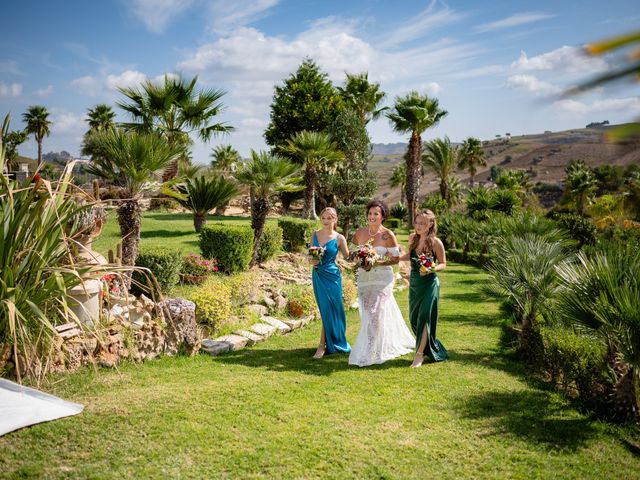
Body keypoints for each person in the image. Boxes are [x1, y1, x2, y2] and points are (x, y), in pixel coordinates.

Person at [348, 200, 415, 367]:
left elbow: (395, 259)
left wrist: (377, 261)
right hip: (365, 278)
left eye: (376, 214)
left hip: (382, 279)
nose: (372, 216)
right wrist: (359, 257)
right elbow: (351, 253)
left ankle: (372, 348)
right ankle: (376, 342)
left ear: (382, 216)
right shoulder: (360, 233)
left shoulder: (388, 235)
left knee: (375, 311)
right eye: (370, 213)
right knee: (367, 311)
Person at [400, 209, 448, 368]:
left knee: (425, 317)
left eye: (423, 223)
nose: (419, 226)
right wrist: (394, 258)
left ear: (431, 224)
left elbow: (443, 263)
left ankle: (419, 355)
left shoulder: (436, 242)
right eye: (417, 222)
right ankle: (430, 346)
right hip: (415, 285)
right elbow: (410, 256)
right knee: (415, 320)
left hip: (430, 284)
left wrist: (432, 268)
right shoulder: (413, 238)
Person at [309, 207, 351, 359]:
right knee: (324, 308)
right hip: (318, 275)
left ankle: (325, 344)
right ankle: (324, 344)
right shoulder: (314, 234)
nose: (326, 221)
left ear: (335, 219)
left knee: (333, 308)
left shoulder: (339, 238)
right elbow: (310, 255)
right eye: (323, 218)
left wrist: (366, 253)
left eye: (329, 218)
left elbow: (348, 256)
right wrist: (312, 260)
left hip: (333, 276)